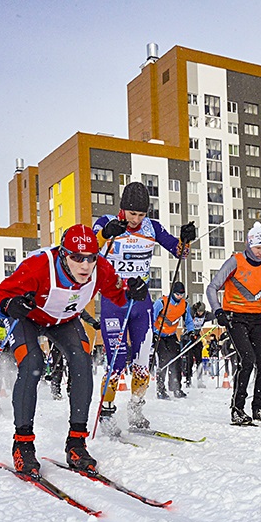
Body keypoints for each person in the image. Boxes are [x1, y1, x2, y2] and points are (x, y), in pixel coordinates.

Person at [0, 224, 147, 476]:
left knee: (82, 361)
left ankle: (76, 444)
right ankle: (23, 445)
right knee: (33, 364)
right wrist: (7, 305)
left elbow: (119, 295)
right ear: (62, 254)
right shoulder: (37, 267)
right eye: (76, 258)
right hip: (28, 318)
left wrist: (134, 291)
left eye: (90, 258)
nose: (85, 266)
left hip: (63, 320)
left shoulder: (100, 268)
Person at [92, 181, 196, 436]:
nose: (136, 219)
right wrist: (106, 234)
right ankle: (106, 411)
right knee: (116, 361)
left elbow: (179, 252)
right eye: (132, 214)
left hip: (141, 302)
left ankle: (136, 408)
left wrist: (186, 239)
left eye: (141, 214)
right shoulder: (105, 221)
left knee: (142, 361)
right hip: (113, 301)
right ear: (122, 209)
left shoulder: (152, 227)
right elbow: (89, 250)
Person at [207, 222, 261, 425]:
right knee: (247, 359)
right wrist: (218, 311)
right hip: (235, 318)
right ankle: (237, 408)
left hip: (258, 318)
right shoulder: (236, 261)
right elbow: (212, 287)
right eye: (258, 248)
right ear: (249, 245)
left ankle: (259, 407)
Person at [152, 281, 195, 400]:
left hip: (171, 335)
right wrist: (152, 334)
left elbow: (188, 320)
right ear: (172, 293)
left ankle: (176, 387)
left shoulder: (184, 305)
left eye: (182, 295)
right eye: (177, 294)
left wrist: (191, 331)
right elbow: (151, 318)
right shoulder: (161, 303)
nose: (179, 297)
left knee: (177, 359)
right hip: (159, 335)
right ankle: (160, 389)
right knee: (164, 359)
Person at [184, 302, 212, 388]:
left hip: (197, 338)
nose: (200, 313)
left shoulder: (206, 315)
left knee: (199, 360)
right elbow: (187, 311)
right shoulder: (192, 313)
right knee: (190, 361)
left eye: (202, 312)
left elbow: (214, 315)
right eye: (199, 311)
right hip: (188, 337)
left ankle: (199, 380)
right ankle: (188, 380)